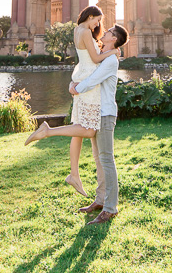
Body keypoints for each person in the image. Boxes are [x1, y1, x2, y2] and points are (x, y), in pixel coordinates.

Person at [26, 23, 128, 225]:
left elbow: (94, 80)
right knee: (99, 159)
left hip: (106, 114)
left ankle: (111, 208)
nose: (104, 32)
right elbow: (86, 71)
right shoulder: (102, 55)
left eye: (108, 32)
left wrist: (76, 89)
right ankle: (100, 200)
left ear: (114, 39)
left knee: (107, 160)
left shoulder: (111, 61)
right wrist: (73, 83)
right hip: (96, 112)